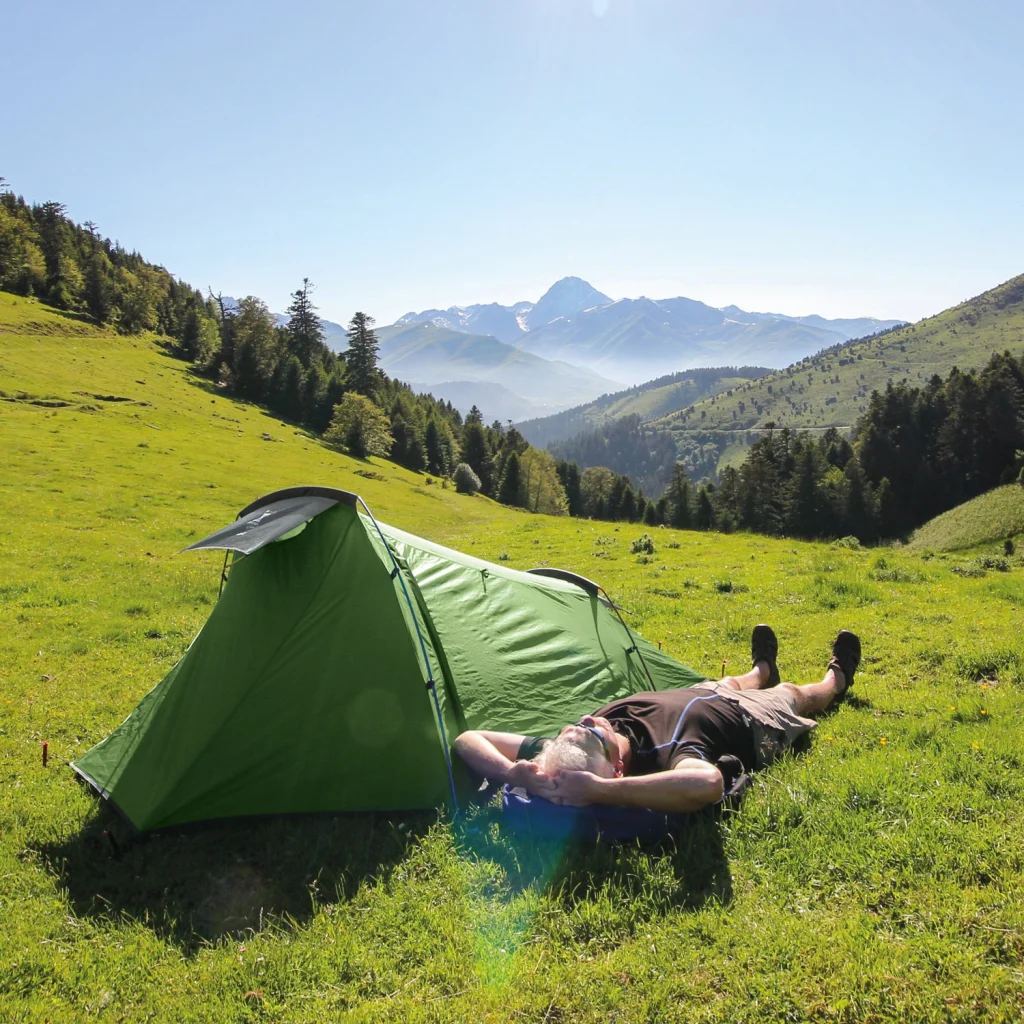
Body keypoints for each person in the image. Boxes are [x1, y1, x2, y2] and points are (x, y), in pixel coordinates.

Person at [451, 626, 861, 814]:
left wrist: (512, 772)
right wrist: (599, 791)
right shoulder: (665, 755)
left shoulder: (566, 751)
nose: (581, 725)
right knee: (794, 694)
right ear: (616, 769)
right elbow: (708, 783)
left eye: (571, 731)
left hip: (703, 692)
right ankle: (836, 678)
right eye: (590, 737)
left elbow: (468, 738)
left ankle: (761, 669)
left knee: (734, 679)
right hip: (749, 717)